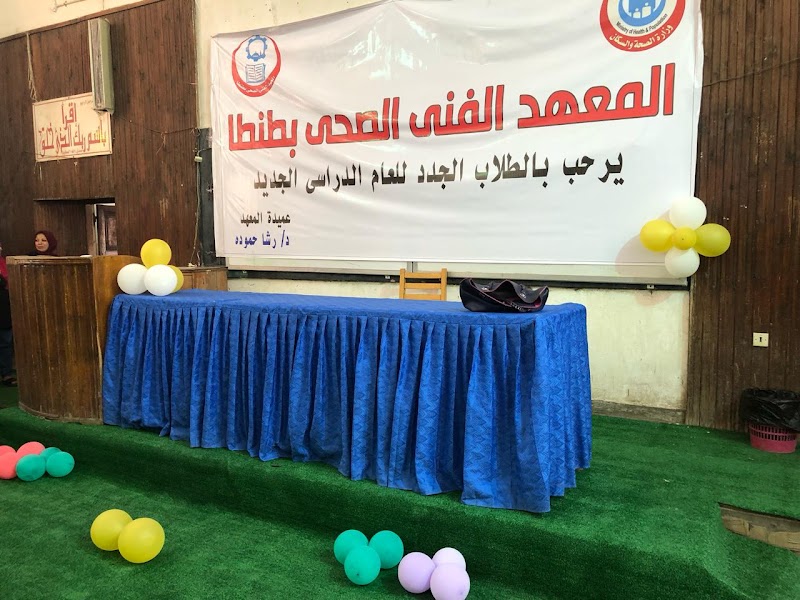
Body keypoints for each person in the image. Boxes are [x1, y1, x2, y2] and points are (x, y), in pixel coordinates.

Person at [0, 241, 15, 386]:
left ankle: (6, 374)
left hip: (4, 308)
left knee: (5, 342)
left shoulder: (4, 263)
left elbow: (9, 283)